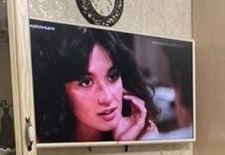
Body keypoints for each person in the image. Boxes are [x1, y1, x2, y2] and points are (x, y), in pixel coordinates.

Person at [31, 26, 159, 143]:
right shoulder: (37, 144)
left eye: (112, 76)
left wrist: (125, 145)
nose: (107, 97)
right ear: (59, 91)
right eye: (86, 82)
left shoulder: (142, 132)